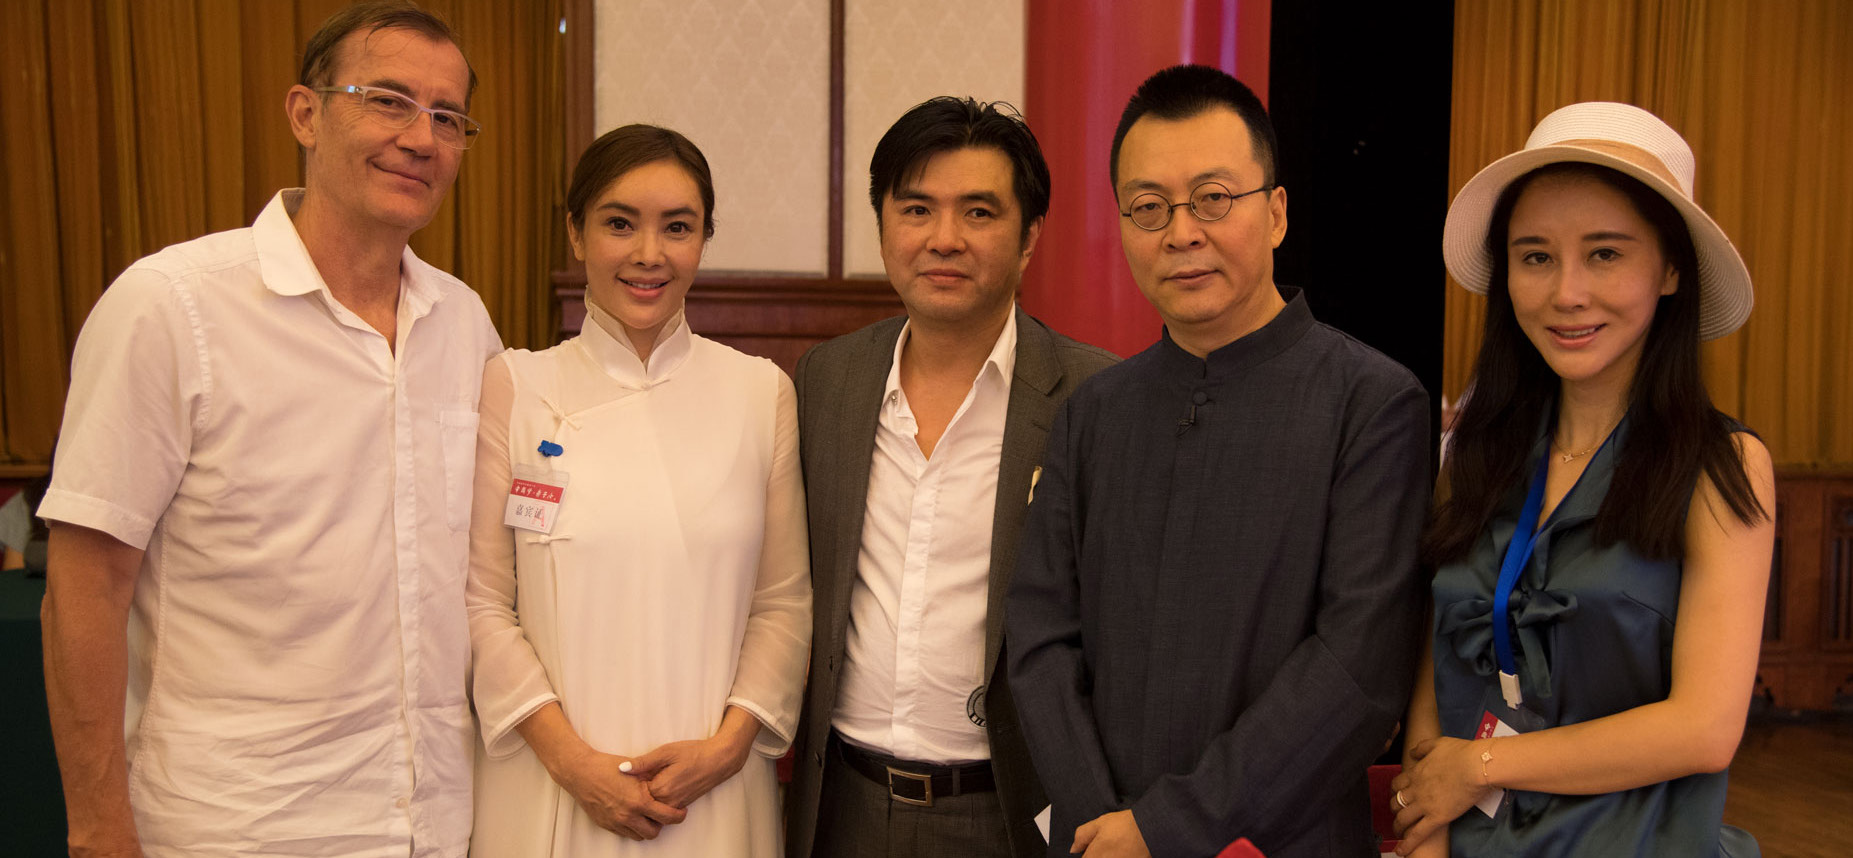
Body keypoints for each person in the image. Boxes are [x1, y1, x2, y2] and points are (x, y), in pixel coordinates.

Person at [37, 3, 502, 856]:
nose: (421, 138)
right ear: (305, 114)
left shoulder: (463, 324)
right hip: (238, 827)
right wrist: (99, 829)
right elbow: (85, 584)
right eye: (388, 101)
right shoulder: (172, 307)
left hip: (435, 822)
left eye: (447, 117)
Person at [1007, 64, 1432, 858]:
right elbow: (1038, 639)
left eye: (1212, 198)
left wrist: (1164, 830)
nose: (1181, 233)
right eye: (1148, 207)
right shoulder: (1093, 414)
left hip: (1282, 841)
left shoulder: (1371, 405)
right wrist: (1101, 822)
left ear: (1275, 213)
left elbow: (1358, 666)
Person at [1389, 102, 1773, 857]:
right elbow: (1434, 676)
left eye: (1604, 254)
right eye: (1535, 257)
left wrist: (1480, 766)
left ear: (1670, 269)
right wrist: (1423, 836)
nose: (1566, 293)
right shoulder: (1473, 457)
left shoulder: (1722, 467)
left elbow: (1704, 729)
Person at [465, 124, 811, 857]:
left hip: (713, 790)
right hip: (550, 782)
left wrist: (727, 747)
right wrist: (572, 762)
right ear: (576, 232)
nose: (649, 253)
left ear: (704, 239)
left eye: (677, 228)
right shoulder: (516, 384)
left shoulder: (759, 393)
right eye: (619, 224)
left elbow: (782, 602)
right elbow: (482, 601)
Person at [785, 97, 1118, 858]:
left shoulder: (1094, 397)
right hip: (841, 804)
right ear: (882, 227)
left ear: (1029, 237)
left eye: (978, 212)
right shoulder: (827, 382)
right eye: (916, 209)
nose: (944, 239)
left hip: (1009, 810)